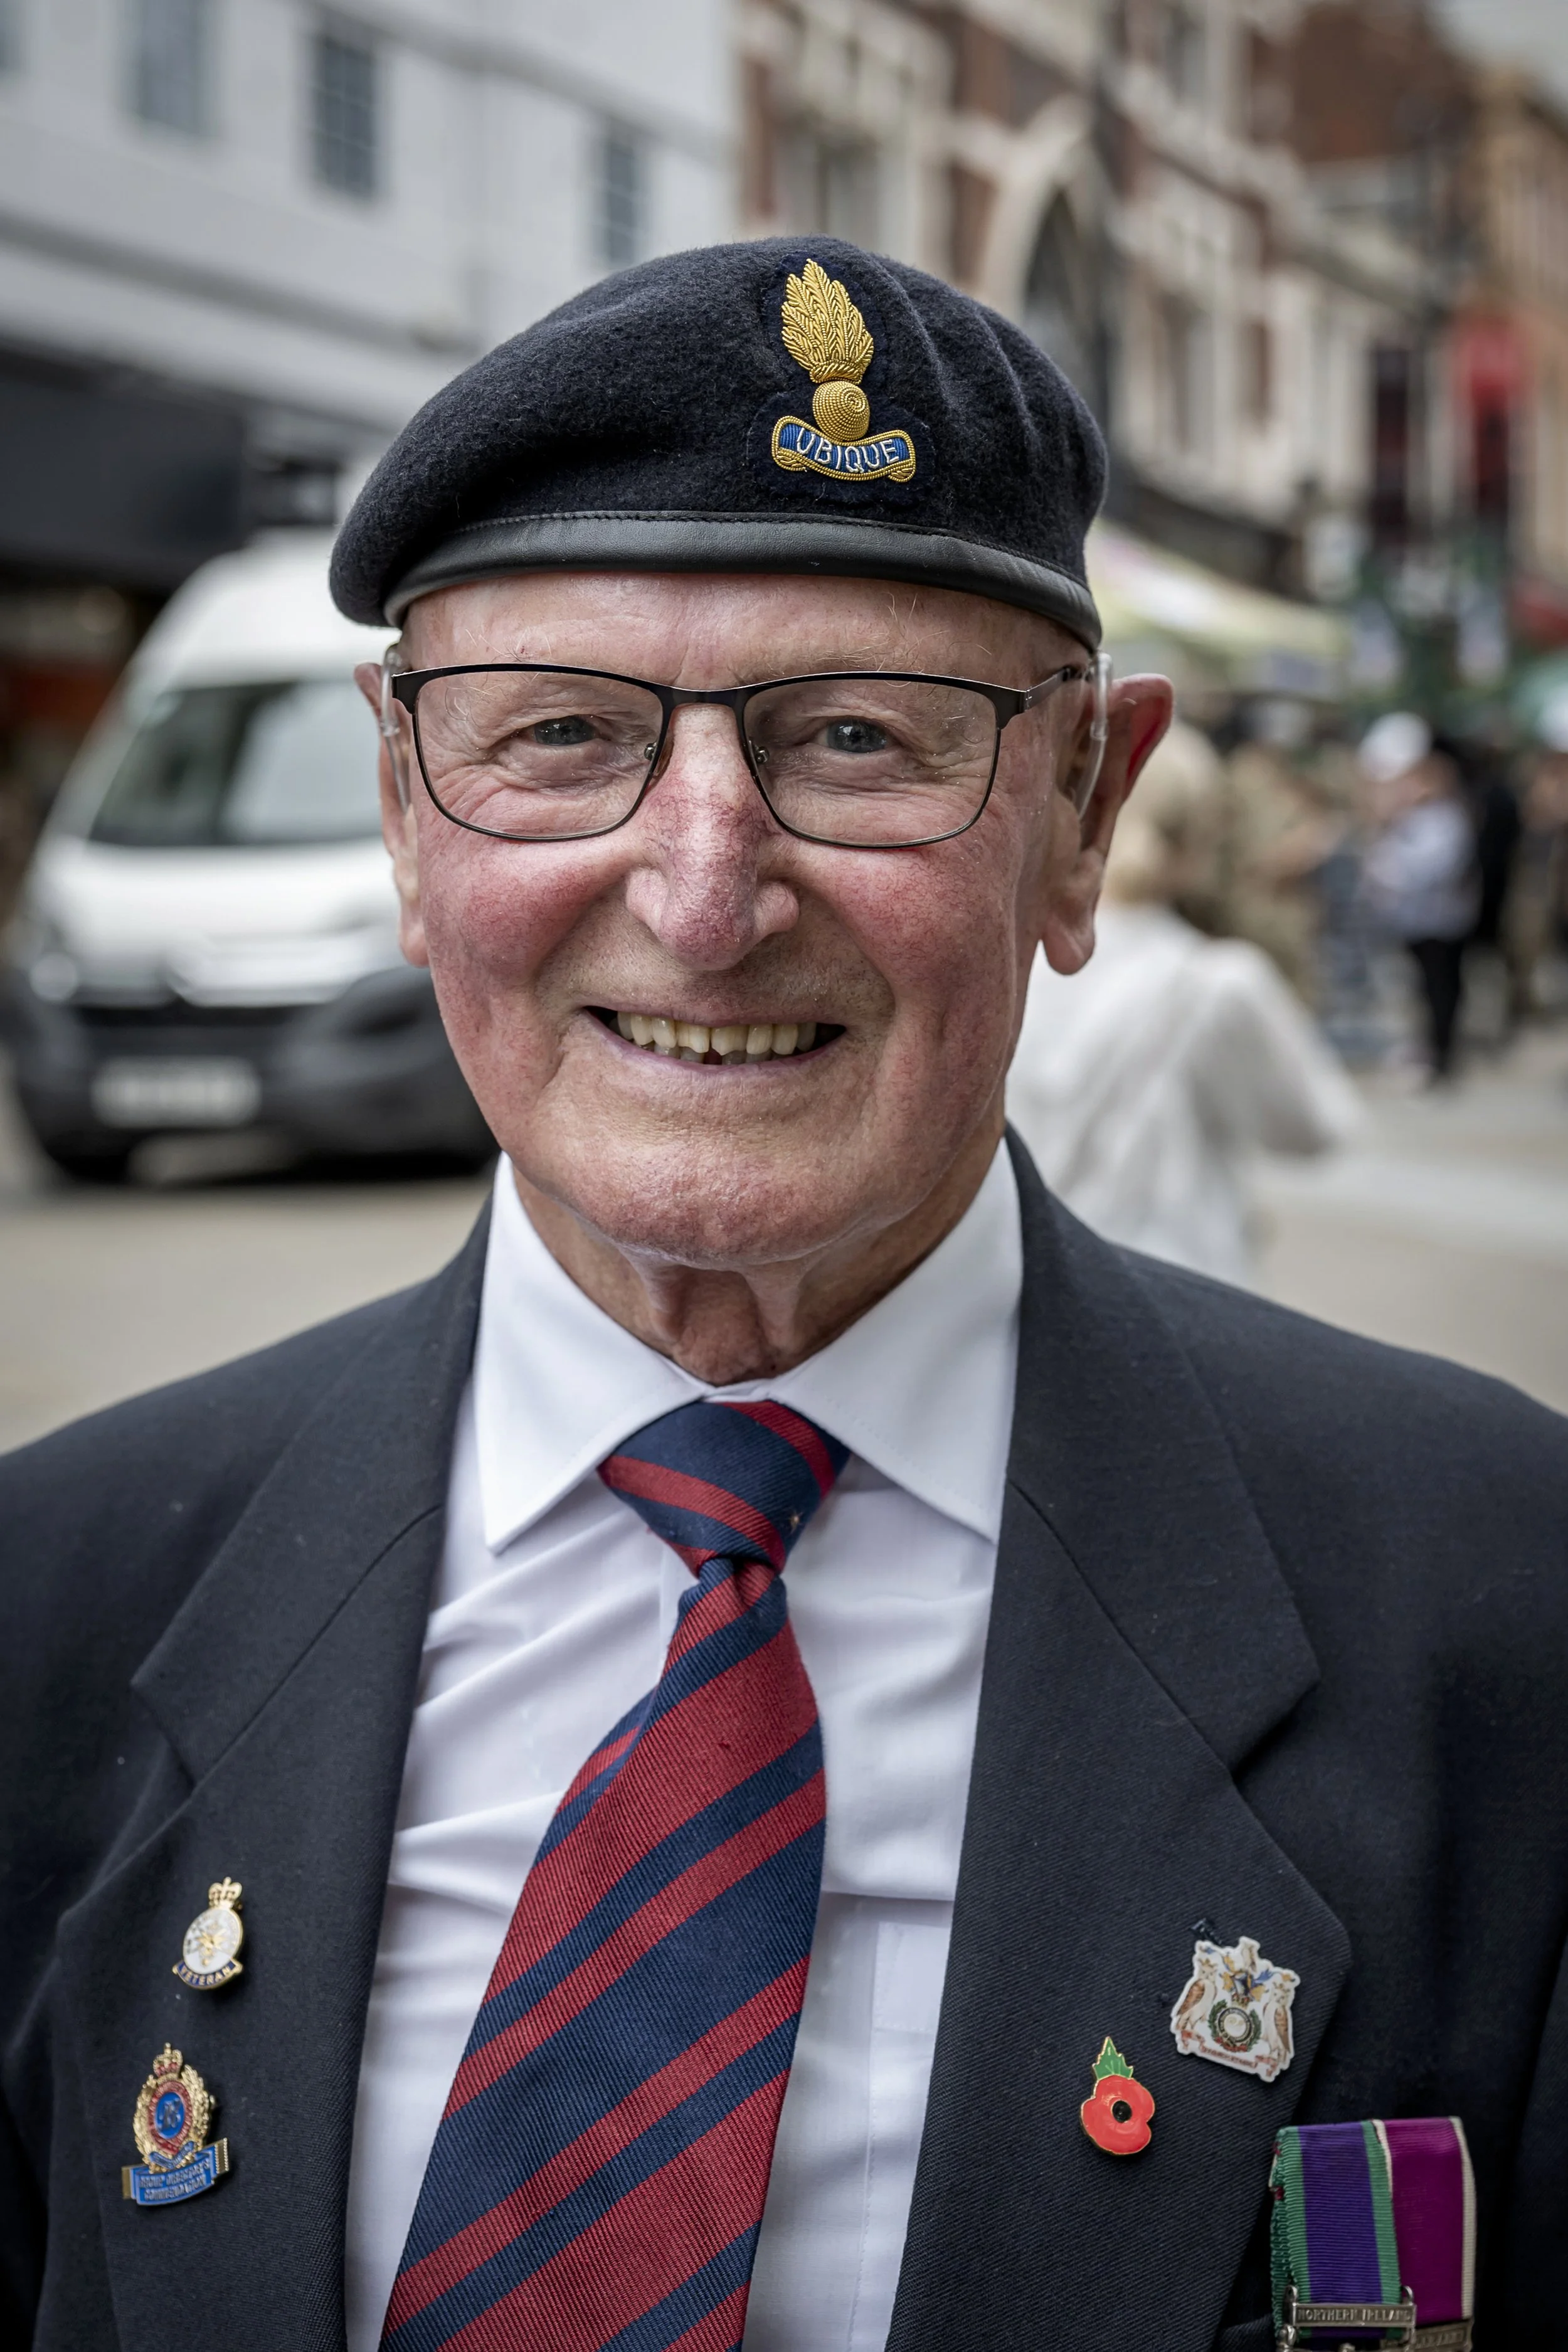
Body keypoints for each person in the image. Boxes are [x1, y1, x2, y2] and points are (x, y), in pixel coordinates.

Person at [1, 241, 1565, 2352]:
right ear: (402, 808)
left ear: (1087, 816)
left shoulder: (1503, 1614)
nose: (706, 891)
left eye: (857, 738)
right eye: (559, 735)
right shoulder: (49, 1615)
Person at [1007, 721, 1360, 1284]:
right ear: (1198, 835)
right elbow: (1318, 1127)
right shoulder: (1219, 984)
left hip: (1034, 1282)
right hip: (1181, 1289)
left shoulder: (1012, 962)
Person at [1358, 712, 1480, 1081]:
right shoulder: (1413, 817)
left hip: (1442, 923)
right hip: (1417, 923)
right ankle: (1428, 1052)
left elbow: (1418, 872)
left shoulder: (1446, 818)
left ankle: (1442, 1060)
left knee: (1441, 992)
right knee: (1422, 991)